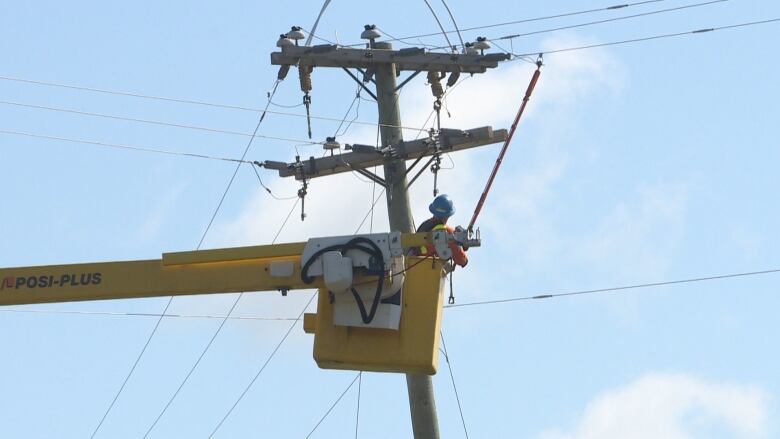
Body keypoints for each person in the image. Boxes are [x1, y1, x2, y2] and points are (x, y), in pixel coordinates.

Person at [415, 194, 468, 268]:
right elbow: (461, 260)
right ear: (448, 215)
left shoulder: (424, 225)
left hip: (414, 265)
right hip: (430, 270)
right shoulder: (448, 233)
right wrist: (463, 246)